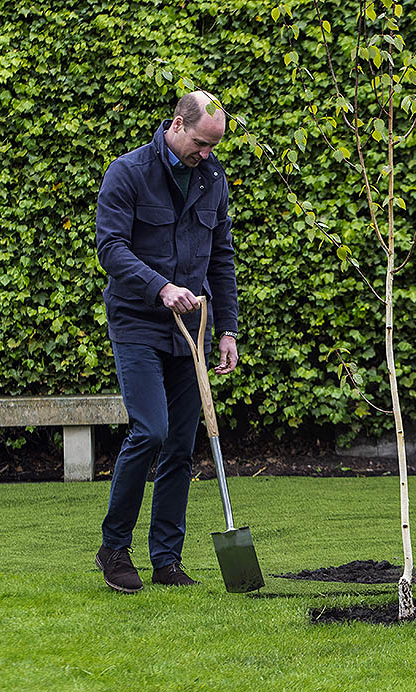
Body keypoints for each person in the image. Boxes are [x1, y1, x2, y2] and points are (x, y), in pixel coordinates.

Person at [94, 91, 239, 593]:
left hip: (192, 327)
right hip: (138, 321)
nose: (206, 154)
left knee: (180, 444)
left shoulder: (212, 177)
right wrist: (160, 286)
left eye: (213, 147)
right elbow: (110, 248)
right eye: (201, 143)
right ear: (177, 125)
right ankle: (114, 548)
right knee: (151, 431)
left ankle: (167, 561)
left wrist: (227, 329)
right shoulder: (128, 173)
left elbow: (221, 255)